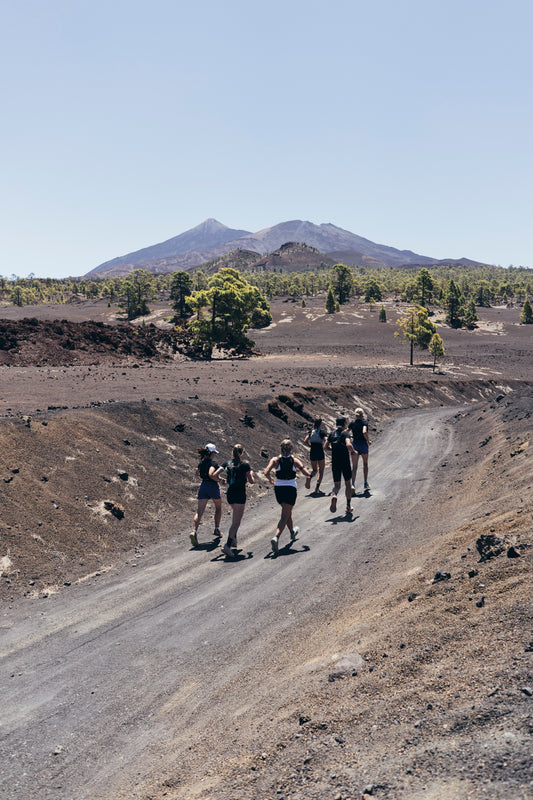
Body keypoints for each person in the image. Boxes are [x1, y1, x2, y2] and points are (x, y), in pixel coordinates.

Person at [264, 438, 311, 555]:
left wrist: (270, 479)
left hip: (279, 488)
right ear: (291, 449)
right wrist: (307, 483)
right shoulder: (294, 461)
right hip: (290, 488)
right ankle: (276, 537)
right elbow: (307, 474)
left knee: (286, 511)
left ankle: (292, 532)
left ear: (281, 448)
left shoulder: (275, 460)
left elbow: (266, 472)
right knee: (284, 515)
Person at [221, 443, 255, 558]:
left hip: (230, 493)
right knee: (236, 522)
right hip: (240, 494)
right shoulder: (245, 465)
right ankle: (227, 545)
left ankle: (234, 539)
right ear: (242, 453)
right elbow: (251, 481)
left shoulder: (227, 463)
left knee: (235, 518)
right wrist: (251, 473)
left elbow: (215, 473)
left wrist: (220, 480)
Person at [190, 443, 225, 547]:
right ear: (212, 453)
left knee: (199, 512)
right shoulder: (213, 463)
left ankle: (194, 532)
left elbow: (196, 473)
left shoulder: (201, 463)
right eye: (214, 453)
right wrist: (219, 479)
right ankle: (217, 529)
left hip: (203, 486)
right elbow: (211, 474)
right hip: (212, 487)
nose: (215, 455)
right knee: (218, 508)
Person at [326, 417, 354, 515]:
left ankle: (334, 495)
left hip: (335, 462)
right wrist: (353, 451)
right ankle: (348, 506)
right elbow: (348, 445)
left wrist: (332, 450)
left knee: (337, 485)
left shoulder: (331, 434)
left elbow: (325, 447)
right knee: (347, 484)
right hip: (345, 462)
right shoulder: (345, 433)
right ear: (344, 424)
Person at [348, 408, 371, 492]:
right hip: (363, 444)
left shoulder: (352, 423)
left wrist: (351, 436)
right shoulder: (364, 422)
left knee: (354, 466)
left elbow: (347, 431)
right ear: (362, 415)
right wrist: (368, 440)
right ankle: (365, 482)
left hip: (355, 445)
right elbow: (364, 432)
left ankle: (353, 484)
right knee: (365, 464)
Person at [303, 418, 327, 494]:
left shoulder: (311, 432)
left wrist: (310, 446)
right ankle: (317, 488)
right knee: (321, 471)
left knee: (314, 470)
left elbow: (305, 441)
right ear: (320, 424)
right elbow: (326, 439)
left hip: (313, 450)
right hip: (319, 450)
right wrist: (325, 446)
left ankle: (309, 477)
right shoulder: (322, 432)